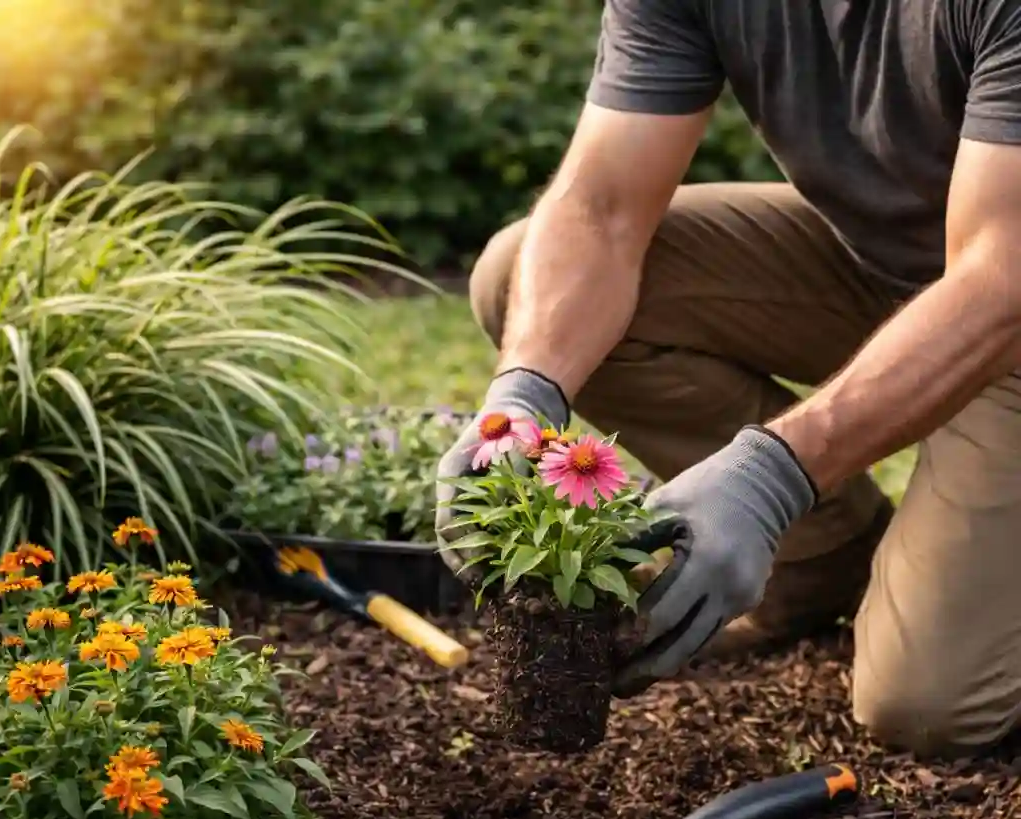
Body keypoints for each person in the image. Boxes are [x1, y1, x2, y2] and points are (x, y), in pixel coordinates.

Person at [434, 0, 1021, 759]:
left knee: (927, 704)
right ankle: (822, 557)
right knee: (522, 279)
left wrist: (773, 475)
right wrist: (523, 393)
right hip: (888, 266)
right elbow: (602, 208)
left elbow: (998, 281)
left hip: (1004, 294)